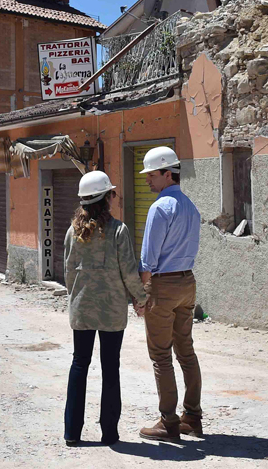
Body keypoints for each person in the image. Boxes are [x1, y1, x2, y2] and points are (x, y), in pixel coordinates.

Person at [63, 170, 149, 446]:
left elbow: (67, 271)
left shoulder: (72, 232)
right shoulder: (118, 231)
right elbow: (128, 271)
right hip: (111, 311)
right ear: (107, 198)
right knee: (111, 367)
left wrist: (76, 297)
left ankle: (71, 433)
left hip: (82, 309)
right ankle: (109, 433)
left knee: (79, 364)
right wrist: (141, 298)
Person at [136, 146, 203, 442]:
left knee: (161, 355)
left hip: (163, 286)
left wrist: (141, 294)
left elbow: (148, 259)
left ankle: (168, 422)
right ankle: (193, 417)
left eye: (151, 175)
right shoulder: (190, 206)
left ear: (167, 173)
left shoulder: (160, 207)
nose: (147, 181)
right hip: (187, 282)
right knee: (185, 351)